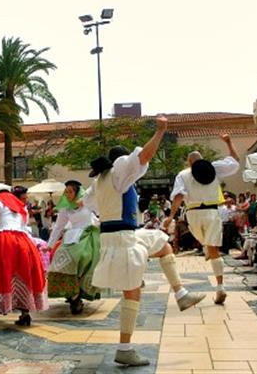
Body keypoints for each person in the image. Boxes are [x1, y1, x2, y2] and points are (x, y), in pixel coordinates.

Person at [85, 116, 205, 367]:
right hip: (121, 240)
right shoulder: (119, 173)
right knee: (132, 293)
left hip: (121, 236)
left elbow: (86, 205)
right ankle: (125, 348)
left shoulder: (98, 182)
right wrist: (161, 131)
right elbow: (143, 157)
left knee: (163, 244)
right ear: (120, 161)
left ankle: (181, 293)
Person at [169, 134, 240, 305]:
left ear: (189, 162)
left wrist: (170, 216)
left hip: (193, 213)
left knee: (202, 241)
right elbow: (236, 162)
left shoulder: (183, 174)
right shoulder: (214, 168)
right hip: (212, 212)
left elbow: (178, 196)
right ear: (202, 159)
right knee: (214, 249)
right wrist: (229, 143)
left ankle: (207, 248)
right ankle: (220, 287)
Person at [0, 188, 47, 326]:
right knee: (24, 274)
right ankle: (25, 312)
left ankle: (0, 305)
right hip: (23, 243)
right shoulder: (22, 210)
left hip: (3, 242)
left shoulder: (1, 205)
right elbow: (24, 228)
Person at [46, 180, 101, 314]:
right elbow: (59, 226)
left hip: (88, 236)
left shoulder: (88, 203)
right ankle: (71, 293)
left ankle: (79, 293)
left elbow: (101, 211)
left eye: (70, 191)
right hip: (71, 236)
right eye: (66, 191)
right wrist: (50, 245)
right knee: (59, 261)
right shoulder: (65, 207)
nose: (68, 194)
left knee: (83, 258)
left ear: (77, 192)